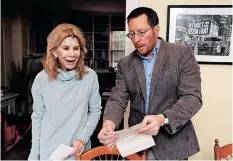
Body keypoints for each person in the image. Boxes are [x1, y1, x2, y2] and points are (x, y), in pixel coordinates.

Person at [98, 7, 202, 160]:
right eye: (131, 34)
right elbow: (117, 99)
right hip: (137, 144)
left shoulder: (181, 54)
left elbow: (192, 98)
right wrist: (108, 125)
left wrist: (162, 119)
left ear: (156, 29)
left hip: (172, 145)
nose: (136, 40)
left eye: (141, 33)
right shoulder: (125, 64)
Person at [28, 23, 102, 160]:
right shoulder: (41, 80)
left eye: (76, 48)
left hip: (78, 151)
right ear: (55, 51)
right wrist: (34, 154)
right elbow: (38, 117)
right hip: (49, 151)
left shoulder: (90, 76)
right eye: (66, 48)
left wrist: (83, 138)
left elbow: (96, 110)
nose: (72, 54)